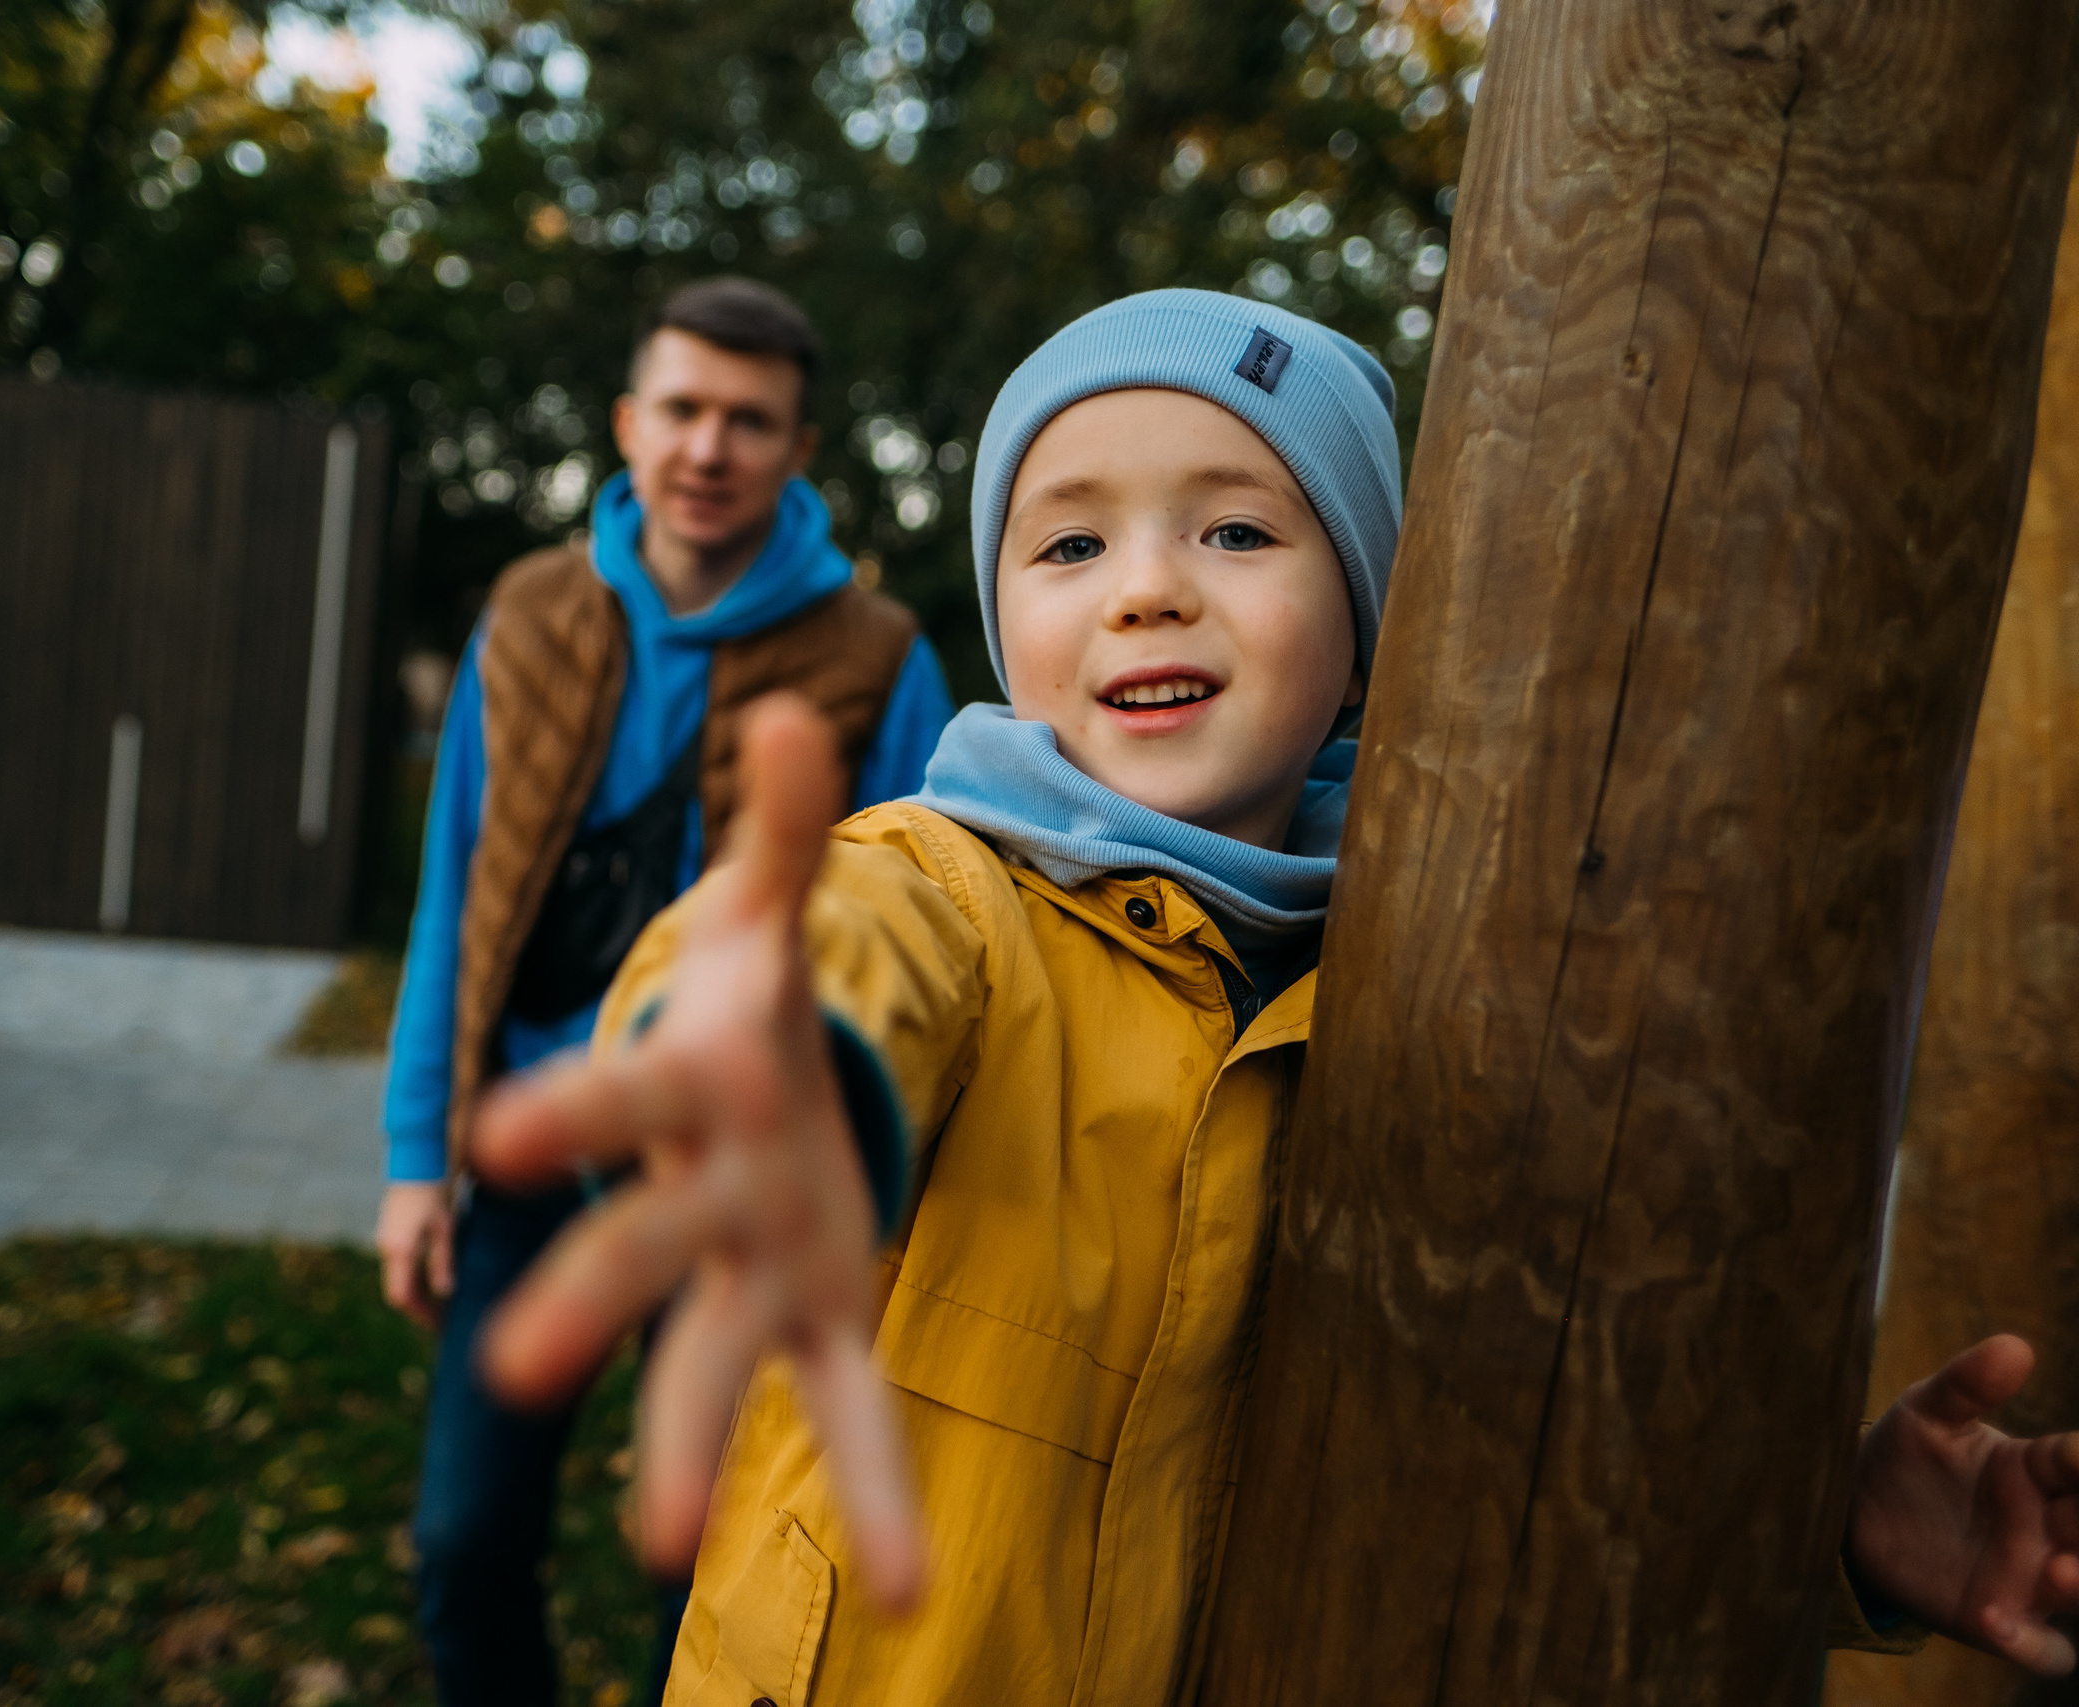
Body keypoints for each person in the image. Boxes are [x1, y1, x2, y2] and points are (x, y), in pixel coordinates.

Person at [466, 289, 2079, 1700]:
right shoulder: (950, 890)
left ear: (1371, 633)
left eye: (1236, 530)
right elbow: (829, 950)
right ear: (1008, 626)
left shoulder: (1449, 993)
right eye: (1072, 540)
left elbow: (1532, 1462)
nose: (1148, 588)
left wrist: (1816, 1542)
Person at [372, 274, 955, 1705]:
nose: (709, 448)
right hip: (531, 1146)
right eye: (683, 410)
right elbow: (456, 897)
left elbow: (937, 926)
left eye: (749, 422)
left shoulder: (881, 664)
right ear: (629, 425)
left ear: (801, 450)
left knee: (695, 1559)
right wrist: (411, 1158)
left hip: (734, 1166)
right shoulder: (530, 612)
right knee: (463, 1540)